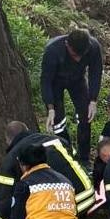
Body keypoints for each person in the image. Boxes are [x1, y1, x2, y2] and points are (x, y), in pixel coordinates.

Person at [0, 121, 94, 219]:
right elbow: (77, 163)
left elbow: (4, 199)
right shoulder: (57, 140)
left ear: (8, 141)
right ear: (27, 130)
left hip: (59, 211)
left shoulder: (10, 160)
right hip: (87, 197)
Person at [41, 29, 103, 167]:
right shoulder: (53, 51)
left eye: (82, 55)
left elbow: (95, 73)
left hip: (77, 80)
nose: (78, 59)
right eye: (75, 55)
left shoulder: (93, 47)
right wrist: (50, 107)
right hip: (56, 82)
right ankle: (67, 153)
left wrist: (93, 100)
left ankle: (84, 158)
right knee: (58, 120)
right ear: (67, 45)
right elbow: (46, 81)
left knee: (85, 116)